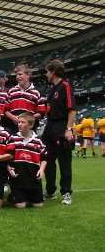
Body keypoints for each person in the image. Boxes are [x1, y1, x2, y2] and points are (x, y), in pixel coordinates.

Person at [42, 59, 76, 205]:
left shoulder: (65, 86)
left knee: (64, 161)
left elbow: (72, 109)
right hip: (49, 127)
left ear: (53, 72)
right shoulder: (51, 89)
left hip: (62, 126)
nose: (45, 74)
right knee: (48, 160)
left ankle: (66, 192)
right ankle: (50, 190)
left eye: (47, 72)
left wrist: (68, 129)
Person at [7, 113, 47, 209]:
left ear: (31, 125)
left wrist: (41, 170)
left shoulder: (38, 140)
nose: (19, 124)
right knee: (21, 206)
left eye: (22, 122)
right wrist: (9, 168)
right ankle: (13, 196)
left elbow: (44, 158)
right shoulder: (13, 138)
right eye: (19, 122)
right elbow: (6, 157)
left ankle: (29, 196)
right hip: (18, 178)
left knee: (38, 205)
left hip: (33, 178)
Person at [5, 64, 44, 133]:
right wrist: (13, 117)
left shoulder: (37, 92)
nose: (17, 77)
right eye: (16, 75)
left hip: (30, 130)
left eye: (20, 74)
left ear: (28, 75)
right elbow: (5, 110)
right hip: (13, 130)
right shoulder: (11, 91)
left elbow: (41, 112)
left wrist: (27, 119)